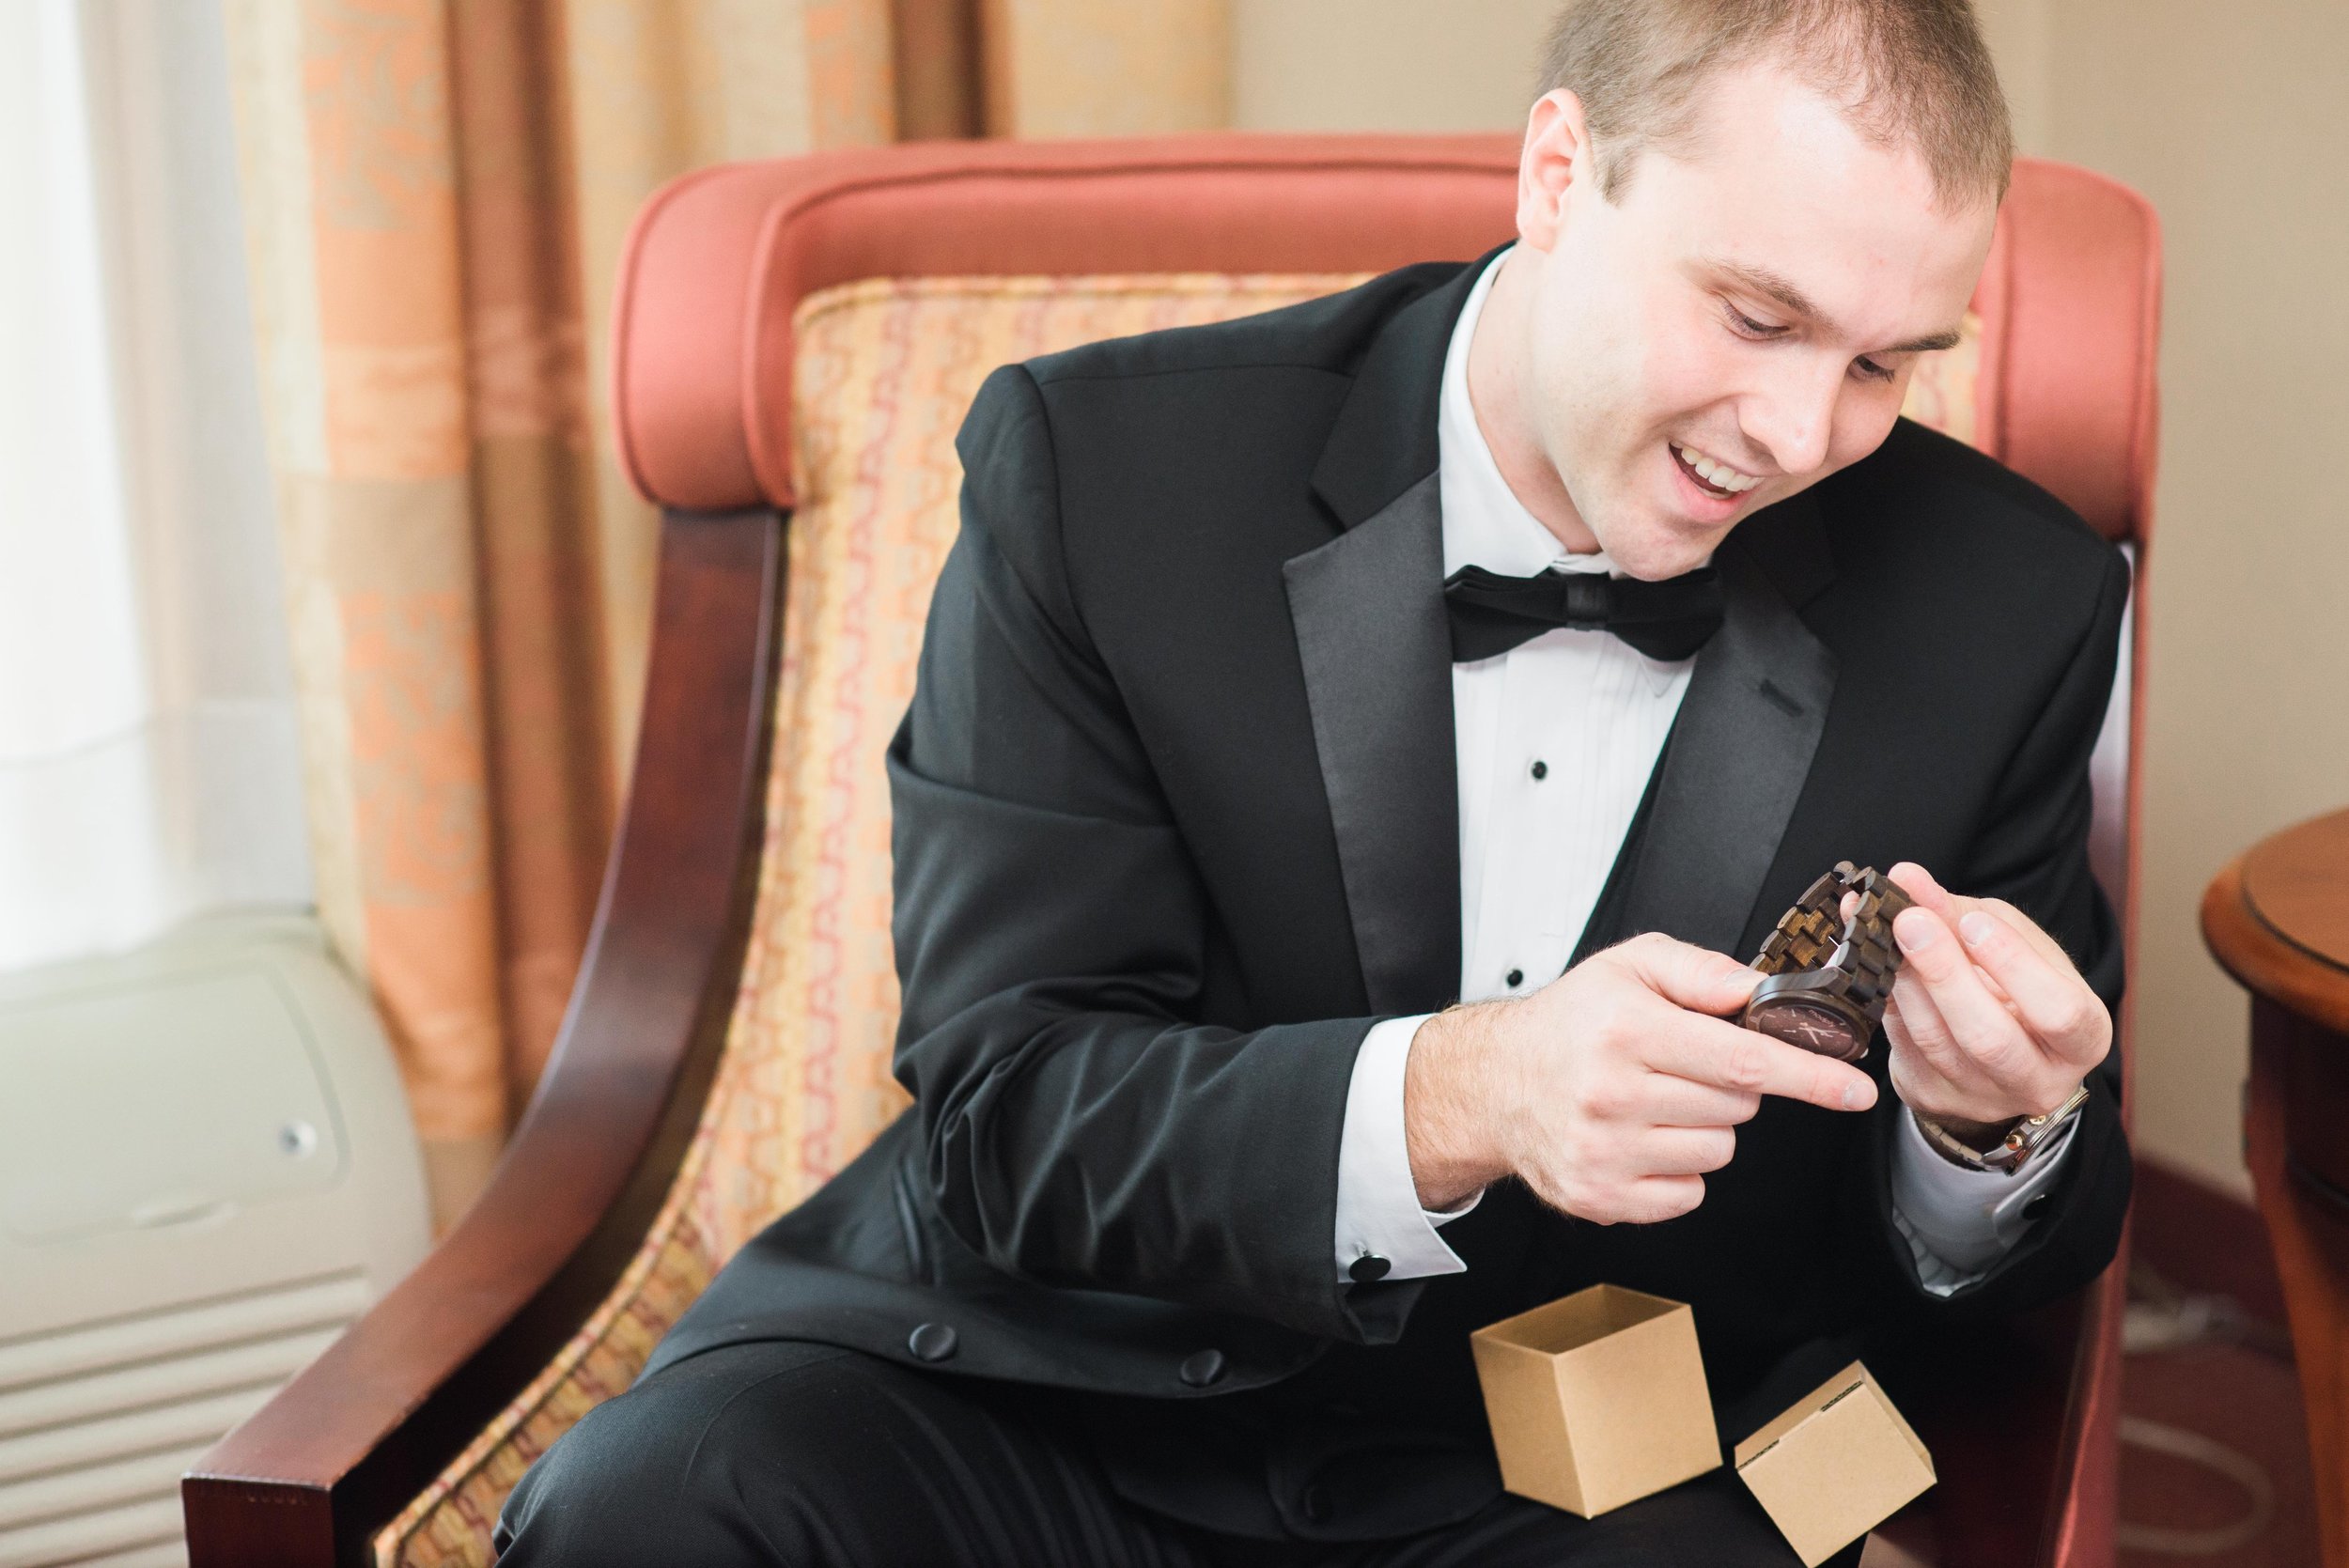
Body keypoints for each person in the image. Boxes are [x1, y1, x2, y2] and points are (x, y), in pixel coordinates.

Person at [497, 1, 2130, 1561]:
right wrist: (1462, 1092)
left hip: (1609, 1472)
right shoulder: (1104, 478)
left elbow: (2015, 1239)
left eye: (1883, 365)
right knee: (665, 1506)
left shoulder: (2008, 604)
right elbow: (1011, 1110)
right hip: (1057, 1383)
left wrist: (1985, 1132)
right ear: (1559, 176)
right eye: (1758, 318)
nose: (1797, 431)